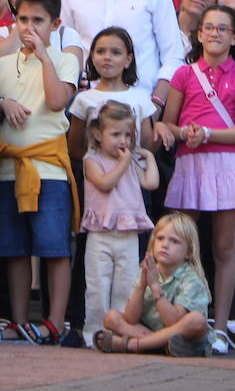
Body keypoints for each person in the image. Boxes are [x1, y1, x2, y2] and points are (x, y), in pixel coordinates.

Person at [0, 0, 80, 345]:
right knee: (14, 248)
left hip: (48, 169)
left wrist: (44, 57)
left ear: (54, 23)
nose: (28, 28)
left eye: (38, 20)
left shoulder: (66, 58)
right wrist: (2, 103)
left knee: (54, 247)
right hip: (9, 167)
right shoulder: (4, 64)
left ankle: (54, 321)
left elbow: (57, 101)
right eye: (22, 19)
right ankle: (19, 319)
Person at [160, 4, 235, 353]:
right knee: (178, 244)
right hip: (191, 163)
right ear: (199, 33)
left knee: (223, 247)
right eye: (209, 27)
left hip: (226, 164)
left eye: (223, 28)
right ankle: (173, 317)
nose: (215, 33)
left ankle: (218, 327)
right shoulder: (184, 74)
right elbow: (168, 121)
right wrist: (184, 132)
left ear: (234, 37)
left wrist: (207, 134)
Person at [80, 101, 157, 347]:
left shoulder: (131, 160)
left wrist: (149, 157)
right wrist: (125, 164)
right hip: (100, 234)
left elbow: (151, 183)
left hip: (128, 234)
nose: (123, 141)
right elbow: (104, 183)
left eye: (127, 134)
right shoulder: (92, 160)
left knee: (127, 286)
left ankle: (119, 332)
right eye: (115, 134)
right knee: (97, 285)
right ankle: (94, 333)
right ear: (97, 134)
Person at [93, 213, 212, 356]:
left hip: (182, 335)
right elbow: (130, 319)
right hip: (153, 331)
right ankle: (158, 346)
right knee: (112, 317)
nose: (165, 245)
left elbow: (173, 322)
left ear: (188, 252)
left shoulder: (190, 279)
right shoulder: (148, 269)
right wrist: (141, 286)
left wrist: (155, 288)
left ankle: (133, 345)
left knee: (196, 320)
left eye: (174, 241)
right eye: (160, 238)